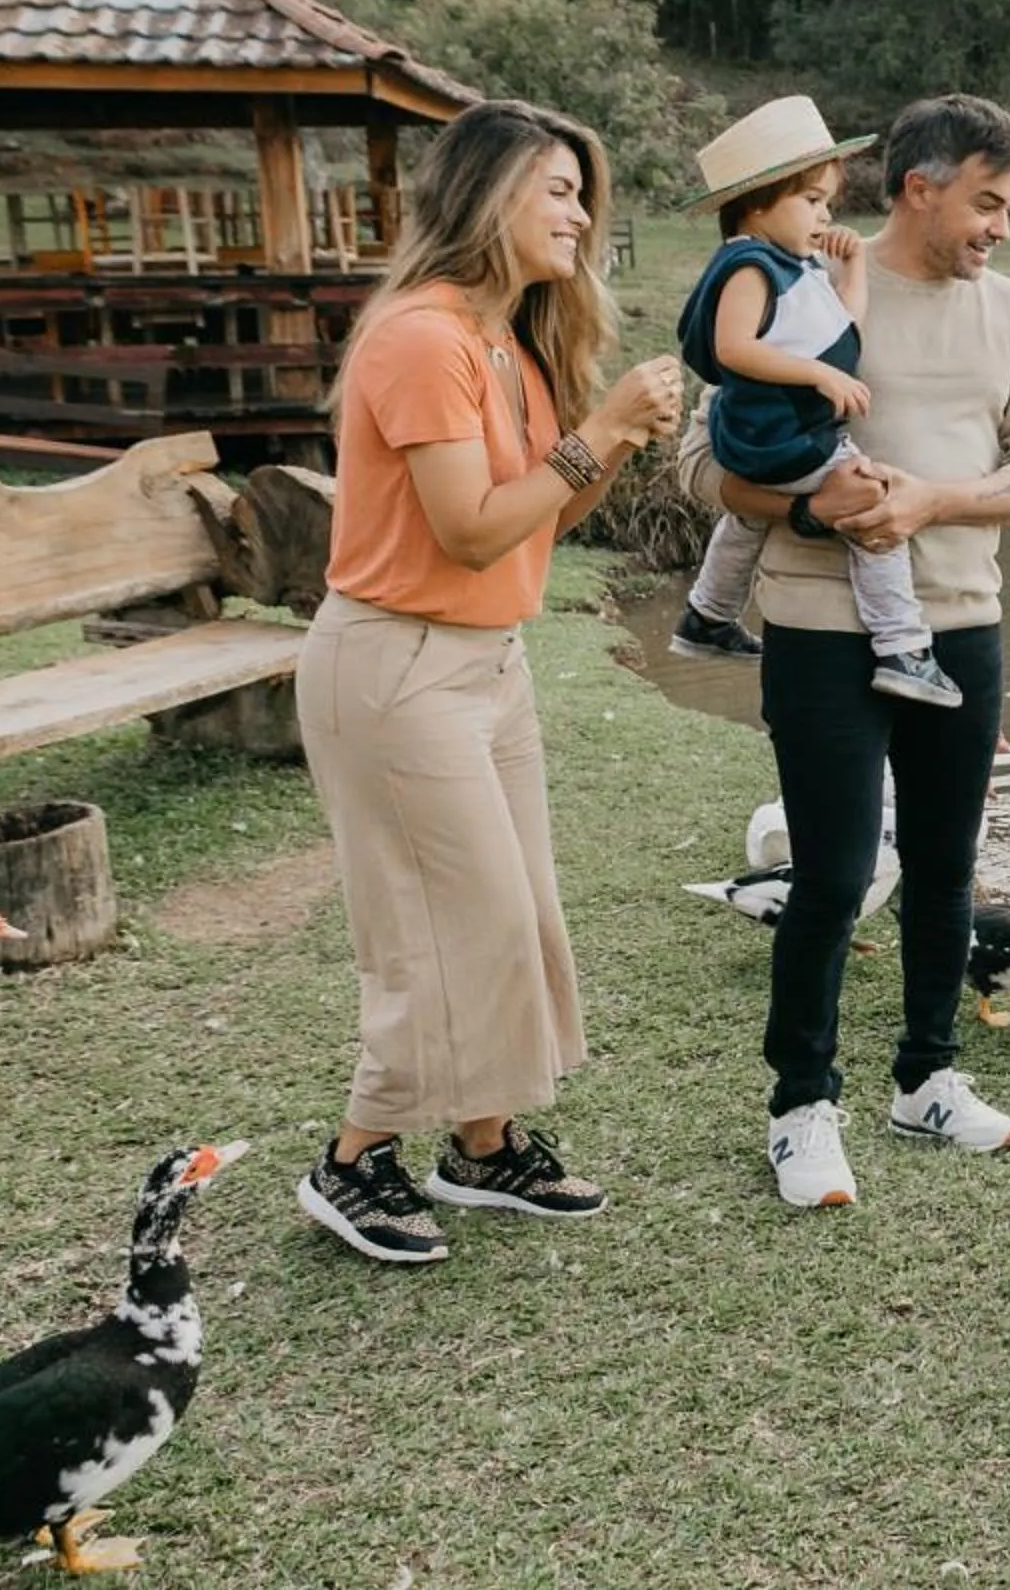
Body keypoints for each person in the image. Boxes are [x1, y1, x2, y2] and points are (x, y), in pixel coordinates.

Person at [293, 99, 684, 1265]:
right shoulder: (423, 337)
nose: (579, 215)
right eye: (557, 191)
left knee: (517, 913)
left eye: (583, 195)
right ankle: (352, 1159)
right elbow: (466, 530)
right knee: (438, 927)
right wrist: (599, 427)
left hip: (486, 662)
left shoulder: (508, 341)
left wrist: (614, 438)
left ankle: (482, 1142)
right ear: (486, 195)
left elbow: (541, 518)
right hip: (397, 664)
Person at [672, 93, 1010, 1209]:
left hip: (964, 626)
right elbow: (701, 469)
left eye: (1008, 207)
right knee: (837, 877)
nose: (1000, 228)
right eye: (987, 203)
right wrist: (813, 512)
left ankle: (927, 1079)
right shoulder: (795, 287)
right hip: (819, 635)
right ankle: (801, 1105)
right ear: (919, 188)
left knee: (944, 873)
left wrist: (934, 500)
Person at [667, 96, 955, 708]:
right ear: (757, 203)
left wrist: (852, 267)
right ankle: (903, 647)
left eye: (828, 202)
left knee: (747, 517)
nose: (825, 216)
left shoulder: (793, 264)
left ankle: (708, 614)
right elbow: (733, 348)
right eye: (812, 200)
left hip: (767, 437)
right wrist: (818, 376)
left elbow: (845, 328)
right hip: (781, 435)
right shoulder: (749, 267)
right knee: (869, 505)